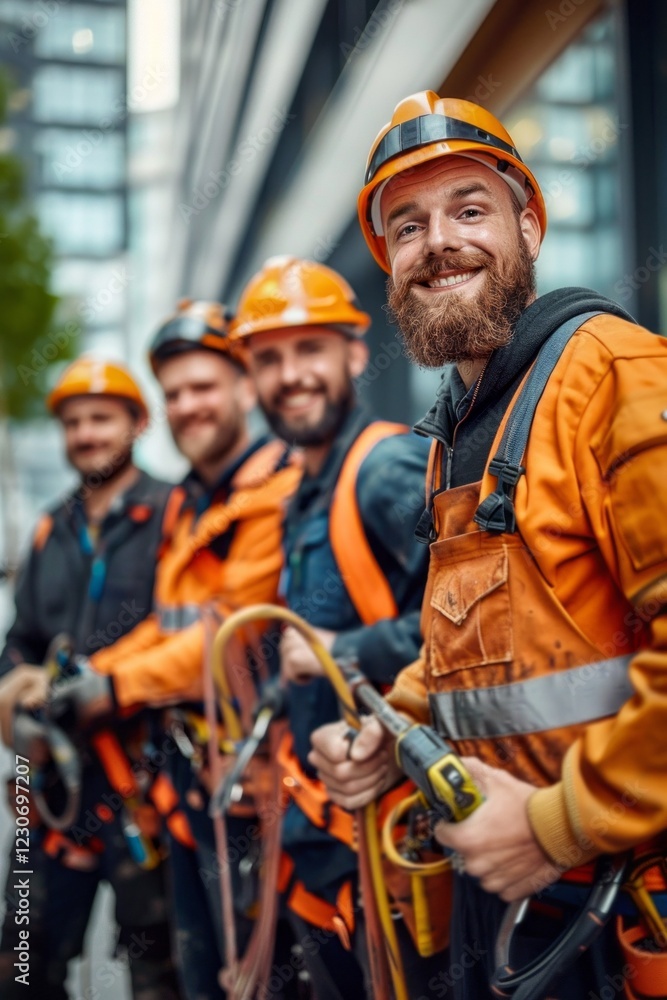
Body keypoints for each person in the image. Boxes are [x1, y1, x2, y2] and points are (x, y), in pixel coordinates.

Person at [309, 91, 667, 1000]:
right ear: (388, 262)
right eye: (407, 226)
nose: (438, 243)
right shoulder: (454, 435)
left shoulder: (615, 376)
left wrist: (557, 823)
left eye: (469, 209)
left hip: (612, 908)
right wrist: (392, 730)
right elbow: (484, 655)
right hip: (509, 906)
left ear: (530, 226)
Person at [86, 300, 302, 1000]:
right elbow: (167, 622)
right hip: (190, 784)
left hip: (259, 791)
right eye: (173, 393)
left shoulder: (277, 488)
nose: (186, 406)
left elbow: (227, 635)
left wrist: (113, 691)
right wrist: (94, 673)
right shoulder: (190, 501)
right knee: (197, 972)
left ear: (245, 387)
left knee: (256, 976)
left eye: (203, 386)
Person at [231, 256, 433, 1000]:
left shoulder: (384, 470)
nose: (291, 375)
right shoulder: (303, 493)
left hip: (385, 846)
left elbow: (475, 636)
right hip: (324, 848)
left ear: (353, 353)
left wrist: (337, 652)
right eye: (269, 358)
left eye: (310, 349)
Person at [0, 357, 181, 999]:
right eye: (74, 422)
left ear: (137, 423)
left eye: (101, 418)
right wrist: (16, 692)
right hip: (48, 788)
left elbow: (186, 642)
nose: (86, 434)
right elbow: (19, 640)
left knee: (159, 972)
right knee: (22, 963)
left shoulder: (173, 514)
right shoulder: (52, 529)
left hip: (144, 789)